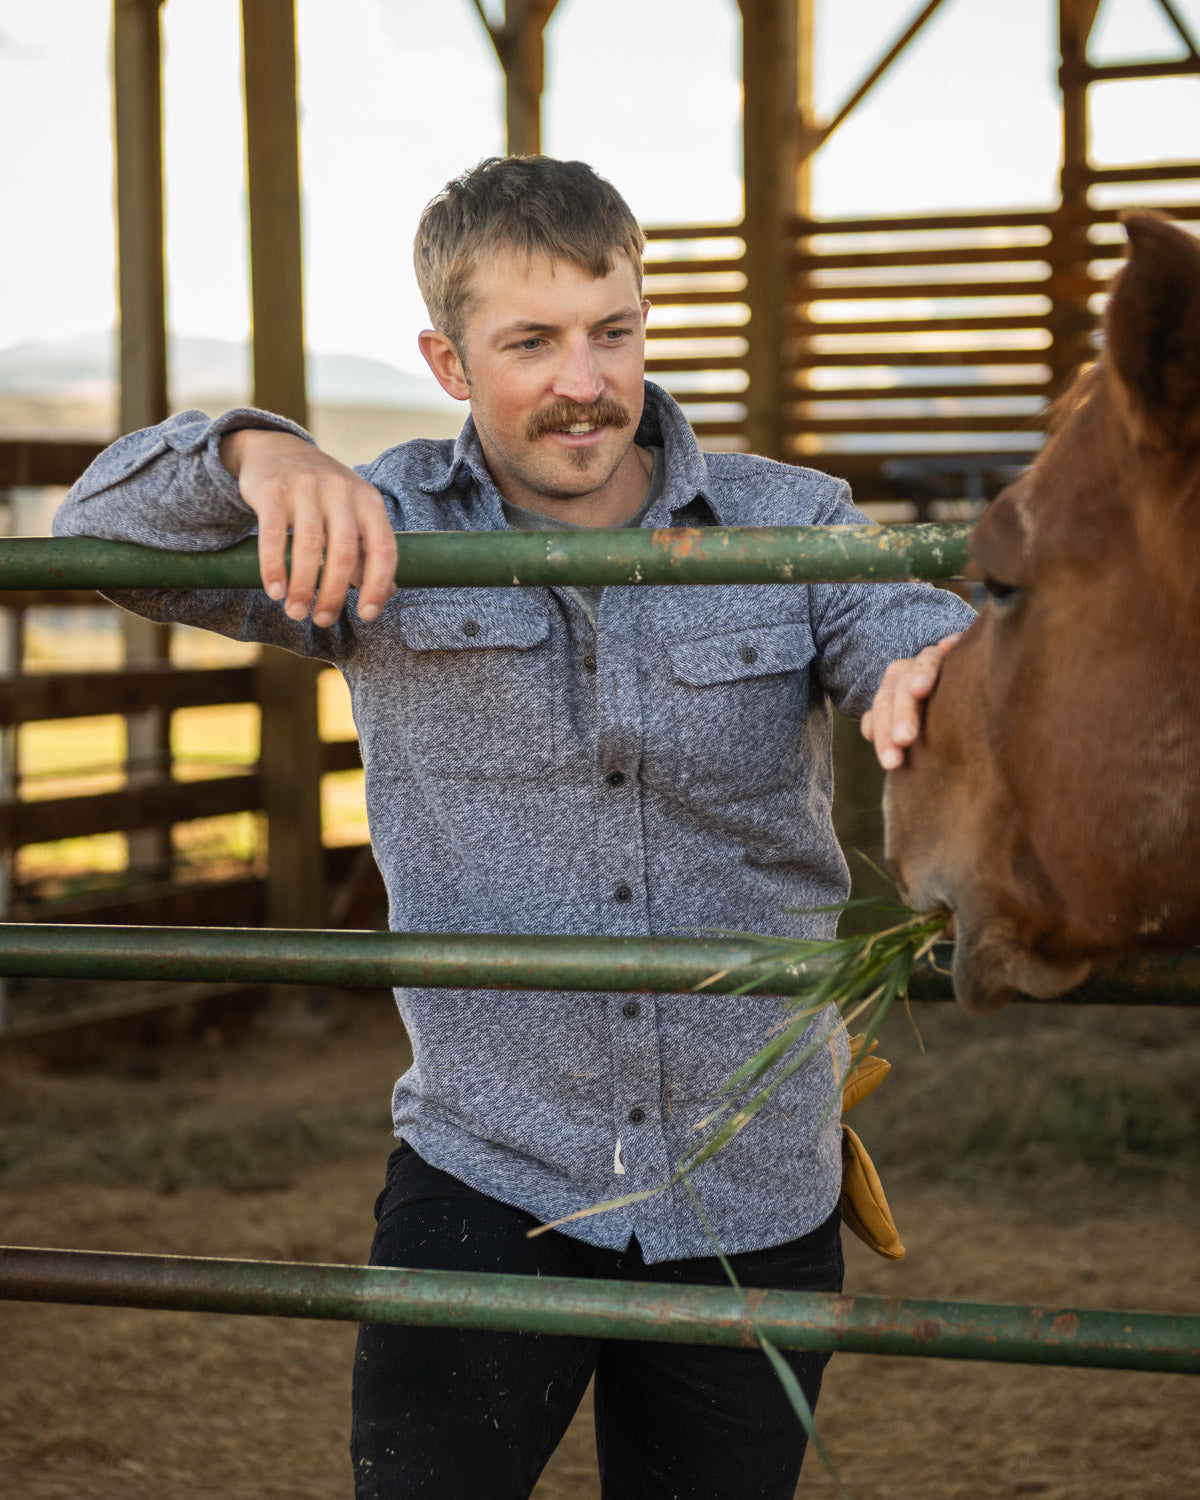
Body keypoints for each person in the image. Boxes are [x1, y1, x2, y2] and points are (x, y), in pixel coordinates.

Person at [55, 155, 972, 1499]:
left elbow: (921, 647)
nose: (585, 382)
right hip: (490, 1169)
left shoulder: (792, 523)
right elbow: (92, 526)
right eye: (529, 343)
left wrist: (930, 679)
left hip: (755, 1181)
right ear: (447, 357)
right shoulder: (381, 527)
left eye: (612, 330)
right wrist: (261, 452)